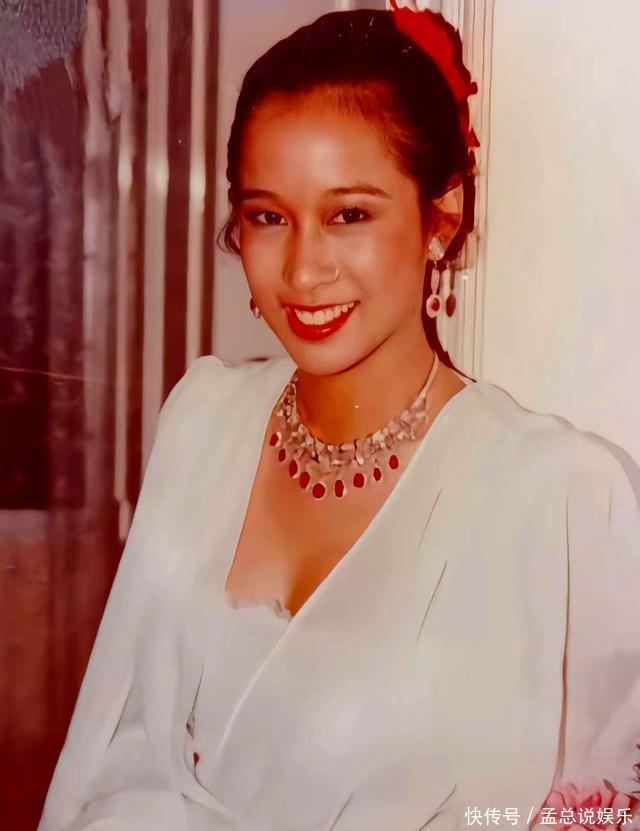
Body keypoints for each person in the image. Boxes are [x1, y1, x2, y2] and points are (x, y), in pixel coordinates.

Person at [39, 6, 640, 831]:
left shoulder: (561, 497)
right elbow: (111, 738)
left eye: (349, 214)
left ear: (442, 216)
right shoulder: (202, 421)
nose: (303, 269)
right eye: (268, 216)